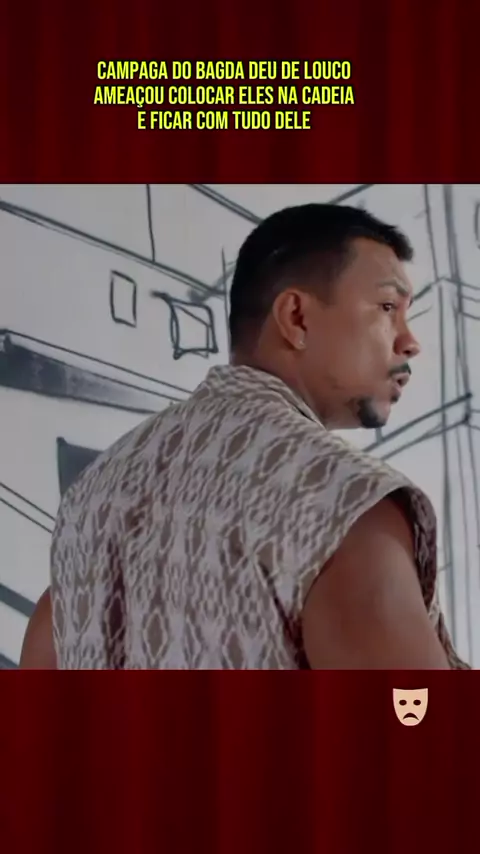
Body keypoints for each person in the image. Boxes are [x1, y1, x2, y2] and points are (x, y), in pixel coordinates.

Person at [20, 202, 470, 669]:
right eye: (387, 307)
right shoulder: (340, 499)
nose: (410, 341)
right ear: (296, 317)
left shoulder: (90, 499)